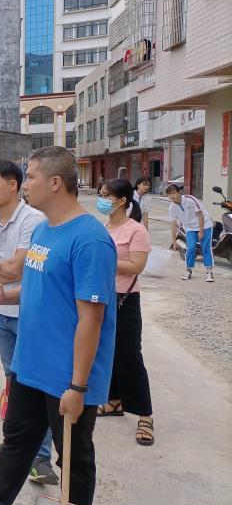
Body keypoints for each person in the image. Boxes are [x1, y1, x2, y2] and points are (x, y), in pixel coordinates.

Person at [0, 146, 117, 505]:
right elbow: (38, 285)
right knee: (17, 439)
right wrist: (4, 293)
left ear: (56, 183)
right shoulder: (45, 229)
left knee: (74, 456)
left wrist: (78, 387)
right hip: (30, 365)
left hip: (67, 375)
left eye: (30, 176)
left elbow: (91, 319)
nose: (25, 184)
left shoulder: (90, 240)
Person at [0, 160, 55, 485]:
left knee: (35, 384)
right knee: (14, 382)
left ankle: (42, 457)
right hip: (1, 315)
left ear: (12, 185)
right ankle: (15, 444)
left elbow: (19, 269)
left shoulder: (33, 219)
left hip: (30, 315)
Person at [97, 180, 154, 446]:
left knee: (130, 355)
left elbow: (136, 265)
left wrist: (106, 260)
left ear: (121, 200)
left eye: (107, 195)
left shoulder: (136, 230)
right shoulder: (105, 228)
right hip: (105, 298)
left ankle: (145, 415)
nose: (102, 199)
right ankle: (115, 400)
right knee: (109, 352)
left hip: (127, 299)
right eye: (102, 195)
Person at [165, 184, 215, 282]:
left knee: (206, 248)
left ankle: (209, 272)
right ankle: (188, 270)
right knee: (191, 248)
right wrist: (174, 241)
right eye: (169, 194)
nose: (172, 196)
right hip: (190, 227)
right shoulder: (172, 207)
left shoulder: (190, 200)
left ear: (179, 193)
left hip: (204, 225)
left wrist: (201, 231)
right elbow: (173, 224)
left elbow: (200, 215)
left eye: (174, 193)